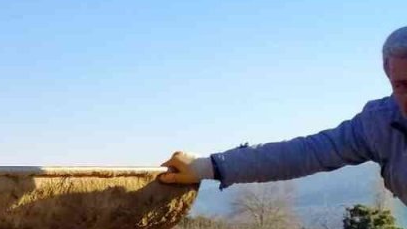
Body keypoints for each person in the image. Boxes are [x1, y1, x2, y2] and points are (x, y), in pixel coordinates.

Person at [160, 26, 407, 203]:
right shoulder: (380, 122)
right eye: (402, 85)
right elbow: (304, 153)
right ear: (389, 78)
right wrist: (207, 166)